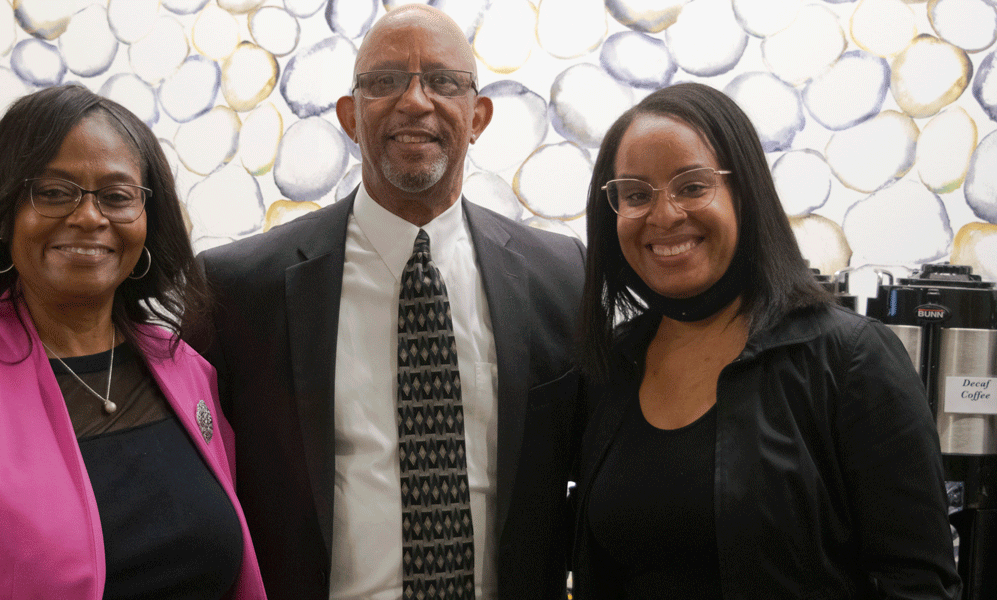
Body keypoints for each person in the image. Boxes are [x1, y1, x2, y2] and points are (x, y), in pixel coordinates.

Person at [188, 5, 585, 599]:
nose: (415, 101)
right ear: (351, 116)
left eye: (443, 81)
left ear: (478, 117)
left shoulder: (562, 278)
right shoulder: (239, 289)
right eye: (385, 81)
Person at [0, 85, 266, 600]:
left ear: (148, 219)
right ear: (4, 212)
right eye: (54, 192)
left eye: (117, 196)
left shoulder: (187, 370)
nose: (88, 217)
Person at [571, 82, 960, 599]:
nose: (663, 216)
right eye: (636, 194)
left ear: (746, 192)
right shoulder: (614, 366)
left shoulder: (849, 360)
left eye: (692, 186)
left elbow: (916, 582)